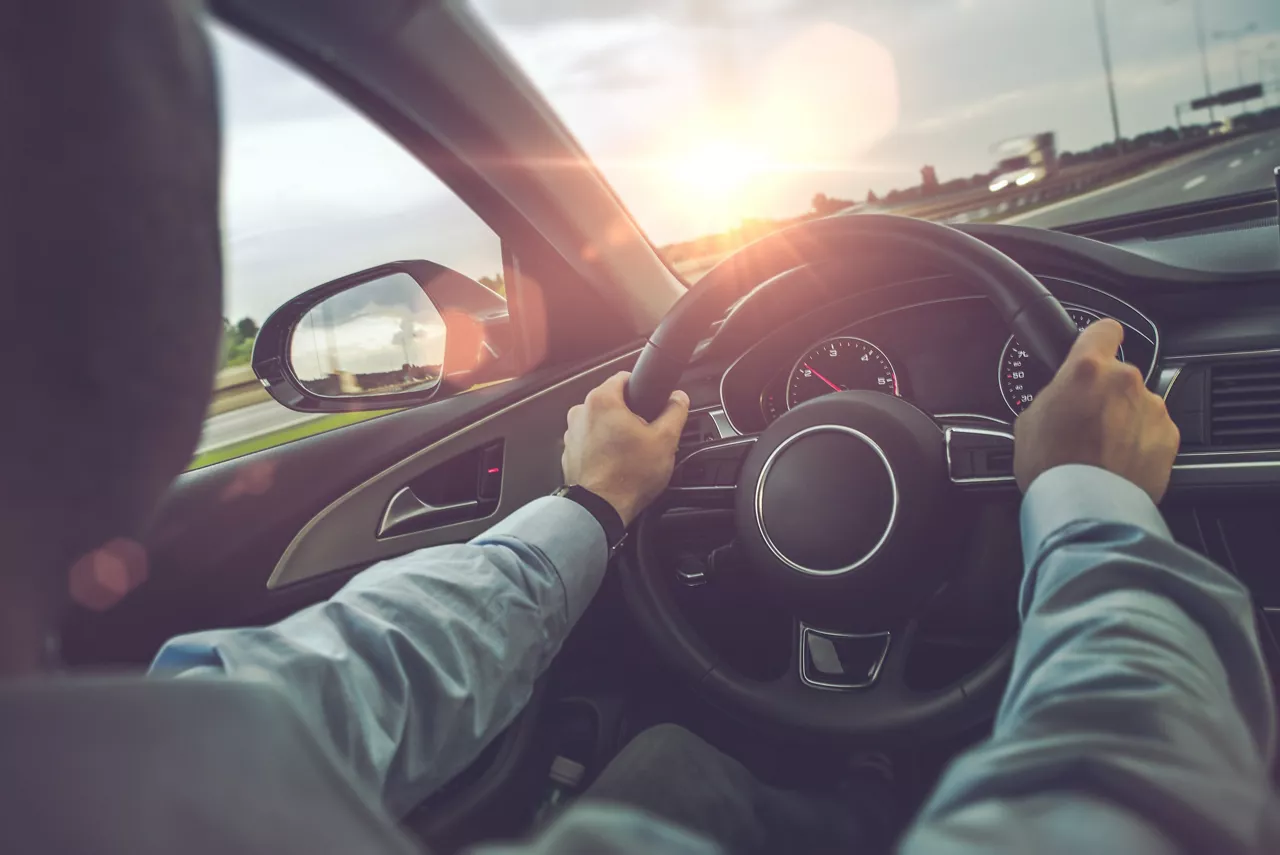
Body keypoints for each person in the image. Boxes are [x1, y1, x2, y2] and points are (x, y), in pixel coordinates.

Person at [2, 2, 1277, 854]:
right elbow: (1125, 813)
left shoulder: (168, 744)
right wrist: (1088, 501)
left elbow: (361, 676)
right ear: (145, 334)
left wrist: (595, 504)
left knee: (684, 767)